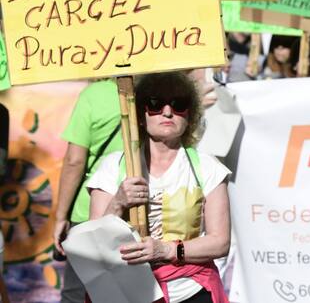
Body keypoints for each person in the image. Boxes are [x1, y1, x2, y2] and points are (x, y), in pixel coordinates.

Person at [87, 72, 231, 303]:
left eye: (178, 104)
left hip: (191, 290)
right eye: (155, 104)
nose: (167, 111)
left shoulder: (207, 167)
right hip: (126, 292)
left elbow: (220, 241)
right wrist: (118, 203)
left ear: (189, 115)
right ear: (141, 116)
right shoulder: (114, 166)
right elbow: (93, 242)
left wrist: (165, 250)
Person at [54, 79, 123, 303]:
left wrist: (60, 217)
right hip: (143, 204)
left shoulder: (94, 94)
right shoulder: (153, 90)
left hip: (90, 210)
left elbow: (75, 161)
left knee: (76, 292)